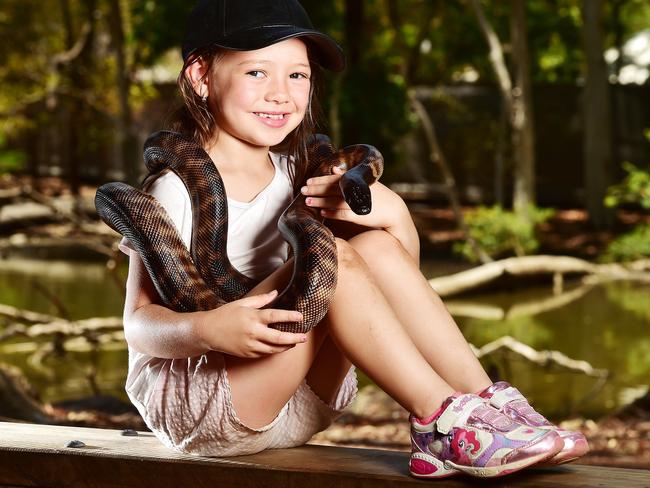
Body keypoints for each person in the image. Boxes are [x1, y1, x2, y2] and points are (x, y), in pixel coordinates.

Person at [117, 0, 588, 479]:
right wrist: (207, 329)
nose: (280, 94)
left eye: (297, 76)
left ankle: (489, 406)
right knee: (330, 255)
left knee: (370, 246)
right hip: (207, 400)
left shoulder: (301, 176)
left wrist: (396, 213)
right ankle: (439, 420)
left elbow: (396, 281)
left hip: (303, 399)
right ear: (200, 76)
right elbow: (138, 324)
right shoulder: (173, 187)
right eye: (257, 72)